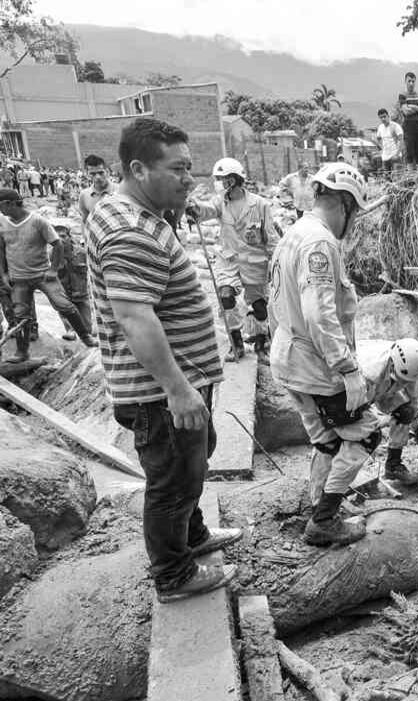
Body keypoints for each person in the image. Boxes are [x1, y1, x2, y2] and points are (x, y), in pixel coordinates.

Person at [86, 117, 239, 602]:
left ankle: (192, 536)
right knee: (172, 478)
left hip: (172, 384)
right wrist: (177, 389)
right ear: (139, 168)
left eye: (190, 168)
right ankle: (173, 575)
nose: (189, 178)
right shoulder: (131, 230)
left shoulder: (132, 214)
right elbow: (135, 318)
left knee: (191, 462)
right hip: (159, 392)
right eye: (178, 169)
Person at [268, 162, 377, 546]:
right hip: (315, 364)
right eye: (355, 213)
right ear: (345, 203)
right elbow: (319, 313)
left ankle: (320, 502)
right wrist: (346, 369)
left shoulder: (294, 234)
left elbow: (276, 302)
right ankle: (325, 520)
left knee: (327, 440)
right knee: (364, 435)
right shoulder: (320, 243)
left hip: (289, 358)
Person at [188, 157, 279, 360]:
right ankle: (236, 343)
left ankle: (261, 342)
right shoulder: (220, 202)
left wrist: (276, 261)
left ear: (236, 179)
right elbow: (206, 211)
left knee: (258, 306)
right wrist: (195, 209)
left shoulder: (260, 204)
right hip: (229, 261)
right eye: (219, 178)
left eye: (225, 178)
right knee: (226, 297)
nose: (221, 182)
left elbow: (271, 236)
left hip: (255, 262)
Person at [0, 188, 96, 361]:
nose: (1, 210)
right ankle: (22, 352)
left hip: (42, 274)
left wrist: (53, 270)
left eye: (1, 206)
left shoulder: (38, 221)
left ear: (10, 203)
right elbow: (1, 249)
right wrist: (3, 274)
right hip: (18, 278)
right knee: (21, 315)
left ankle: (85, 336)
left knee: (65, 305)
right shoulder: (3, 223)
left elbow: (57, 245)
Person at [358, 337, 418, 488]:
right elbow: (358, 410)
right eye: (401, 380)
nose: (404, 384)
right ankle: (349, 472)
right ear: (392, 364)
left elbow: (414, 399)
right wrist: (383, 420)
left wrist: (417, 425)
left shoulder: (413, 368)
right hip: (357, 392)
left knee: (406, 412)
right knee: (365, 434)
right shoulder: (368, 373)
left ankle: (393, 466)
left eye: (406, 381)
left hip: (387, 386)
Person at [49, 218, 91, 342]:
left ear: (69, 237)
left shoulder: (82, 253)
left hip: (81, 293)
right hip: (63, 293)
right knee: (64, 312)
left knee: (89, 326)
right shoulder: (51, 255)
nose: (60, 239)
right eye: (57, 237)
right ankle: (70, 330)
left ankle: (86, 334)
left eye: (63, 236)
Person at [398, 72, 418, 170]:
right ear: (405, 82)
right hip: (408, 126)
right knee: (409, 153)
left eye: (413, 81)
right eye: (409, 81)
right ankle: (411, 178)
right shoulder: (402, 95)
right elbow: (406, 111)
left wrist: (412, 106)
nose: (411, 83)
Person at [78, 154, 117, 222]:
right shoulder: (84, 195)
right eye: (93, 174)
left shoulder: (120, 191)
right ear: (87, 174)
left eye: (101, 173)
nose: (98, 177)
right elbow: (85, 221)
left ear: (107, 171)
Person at [376, 109, 404, 178]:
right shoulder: (380, 127)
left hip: (395, 156)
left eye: (384, 116)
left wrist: (397, 154)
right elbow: (378, 138)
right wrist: (382, 149)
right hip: (385, 157)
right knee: (386, 178)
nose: (383, 119)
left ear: (388, 116)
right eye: (381, 117)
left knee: (397, 178)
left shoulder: (395, 126)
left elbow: (401, 140)